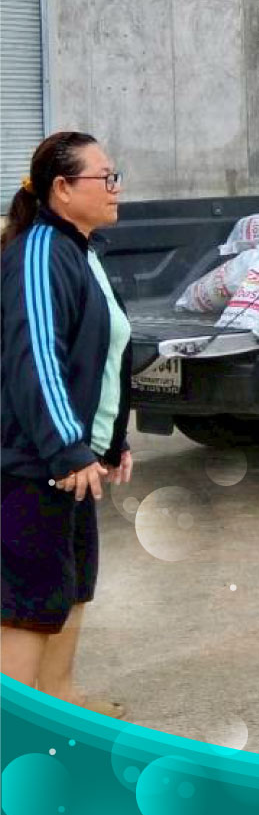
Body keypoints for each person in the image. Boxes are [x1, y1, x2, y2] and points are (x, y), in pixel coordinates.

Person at [1, 131, 133, 719]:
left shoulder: (81, 250)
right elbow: (37, 359)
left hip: (72, 461)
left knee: (71, 588)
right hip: (31, 465)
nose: (114, 188)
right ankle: (16, 736)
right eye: (104, 177)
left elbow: (102, 355)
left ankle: (60, 704)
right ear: (62, 188)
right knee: (27, 608)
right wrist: (67, 449)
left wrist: (111, 441)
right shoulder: (39, 254)